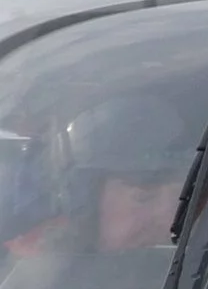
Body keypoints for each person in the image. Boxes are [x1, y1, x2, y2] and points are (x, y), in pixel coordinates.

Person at [4, 94, 192, 258]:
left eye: (179, 202)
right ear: (88, 203)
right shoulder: (30, 283)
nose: (168, 222)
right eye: (143, 198)